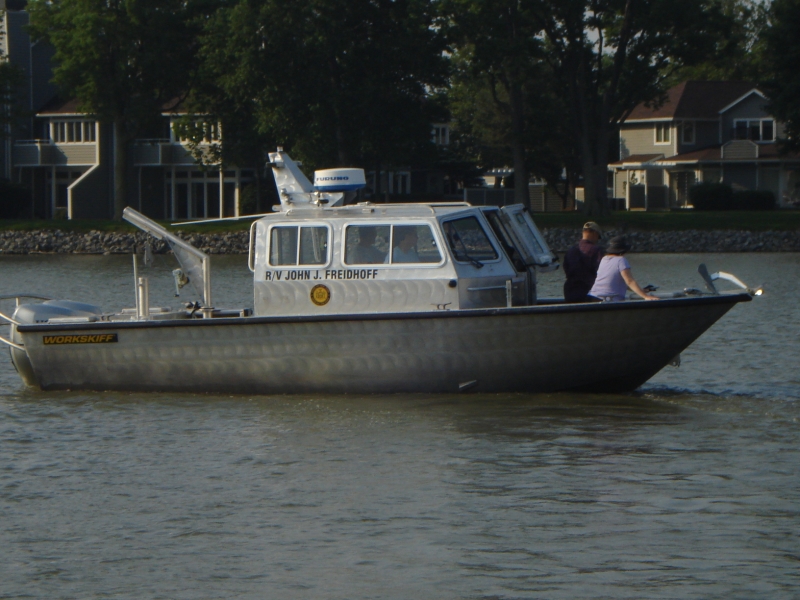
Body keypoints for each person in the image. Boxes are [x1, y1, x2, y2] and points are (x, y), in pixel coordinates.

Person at [588, 236, 658, 301]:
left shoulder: (604, 259)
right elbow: (629, 281)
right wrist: (645, 296)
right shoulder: (621, 260)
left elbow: (615, 281)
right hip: (608, 299)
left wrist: (641, 290)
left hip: (593, 296)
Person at [563, 221, 604, 302]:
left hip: (569, 289)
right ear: (595, 234)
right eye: (598, 237)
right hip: (587, 290)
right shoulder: (596, 250)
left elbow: (566, 267)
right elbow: (600, 271)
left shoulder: (571, 250)